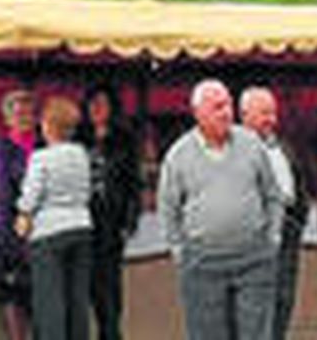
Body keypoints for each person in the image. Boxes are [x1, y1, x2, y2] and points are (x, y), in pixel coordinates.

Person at [158, 79, 285, 340]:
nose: (226, 112)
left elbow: (272, 195)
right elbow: (168, 208)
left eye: (228, 104)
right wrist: (179, 252)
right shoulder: (178, 155)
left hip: (253, 259)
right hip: (202, 263)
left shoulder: (252, 144)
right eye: (217, 107)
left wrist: (273, 237)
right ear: (197, 113)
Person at [16, 96, 92, 340]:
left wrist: (23, 214)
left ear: (48, 125)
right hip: (81, 228)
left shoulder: (41, 157)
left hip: (49, 234)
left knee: (50, 303)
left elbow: (31, 195)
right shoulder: (81, 154)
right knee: (77, 300)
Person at [76, 83, 139, 340]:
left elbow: (133, 183)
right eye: (92, 104)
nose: (96, 109)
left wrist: (130, 221)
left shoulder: (124, 139)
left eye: (102, 104)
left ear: (112, 107)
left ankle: (111, 333)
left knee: (110, 287)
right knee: (87, 286)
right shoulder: (78, 139)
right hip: (82, 220)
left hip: (112, 221)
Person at [236, 87, 299, 340]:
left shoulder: (283, 147)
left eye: (273, 112)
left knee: (282, 301)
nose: (271, 119)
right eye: (264, 113)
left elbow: (300, 187)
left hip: (286, 237)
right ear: (244, 115)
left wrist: (296, 223)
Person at [0, 90, 34, 340]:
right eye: (18, 113)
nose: (24, 118)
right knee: (14, 295)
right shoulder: (2, 148)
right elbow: (3, 191)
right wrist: (12, 235)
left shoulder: (43, 144)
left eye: (28, 113)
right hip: (10, 227)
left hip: (39, 231)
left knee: (37, 296)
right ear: (7, 119)